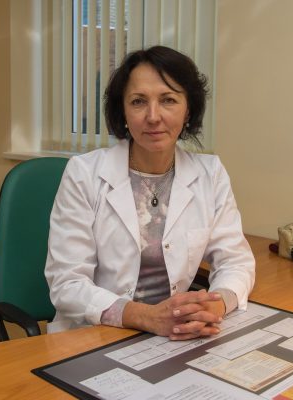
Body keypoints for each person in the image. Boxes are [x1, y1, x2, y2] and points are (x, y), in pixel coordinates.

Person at [45, 45, 255, 340]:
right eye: (138, 101)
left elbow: (236, 261)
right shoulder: (84, 174)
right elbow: (66, 283)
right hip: (96, 334)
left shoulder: (211, 174)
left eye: (168, 100)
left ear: (188, 110)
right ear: (123, 110)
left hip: (173, 334)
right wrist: (147, 317)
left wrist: (215, 305)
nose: (153, 116)